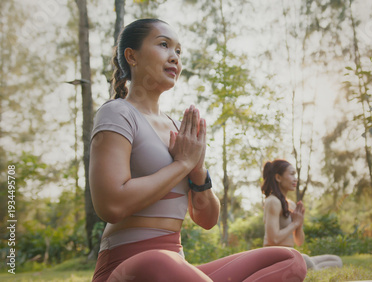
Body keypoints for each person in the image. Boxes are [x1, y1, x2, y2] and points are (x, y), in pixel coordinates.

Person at [90, 19, 307, 282]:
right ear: (131, 56)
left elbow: (206, 219)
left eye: (179, 51)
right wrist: (181, 164)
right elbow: (111, 205)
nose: (174, 57)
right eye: (163, 45)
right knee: (159, 261)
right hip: (128, 268)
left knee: (288, 260)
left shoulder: (177, 130)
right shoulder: (117, 112)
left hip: (177, 268)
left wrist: (197, 170)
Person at [261, 159, 343, 270]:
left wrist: (299, 224)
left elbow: (299, 242)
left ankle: (308, 268)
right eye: (291, 174)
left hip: (290, 255)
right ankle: (308, 269)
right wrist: (295, 224)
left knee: (336, 260)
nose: (296, 179)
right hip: (275, 259)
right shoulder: (272, 201)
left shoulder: (291, 205)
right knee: (309, 262)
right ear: (278, 178)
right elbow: (273, 239)